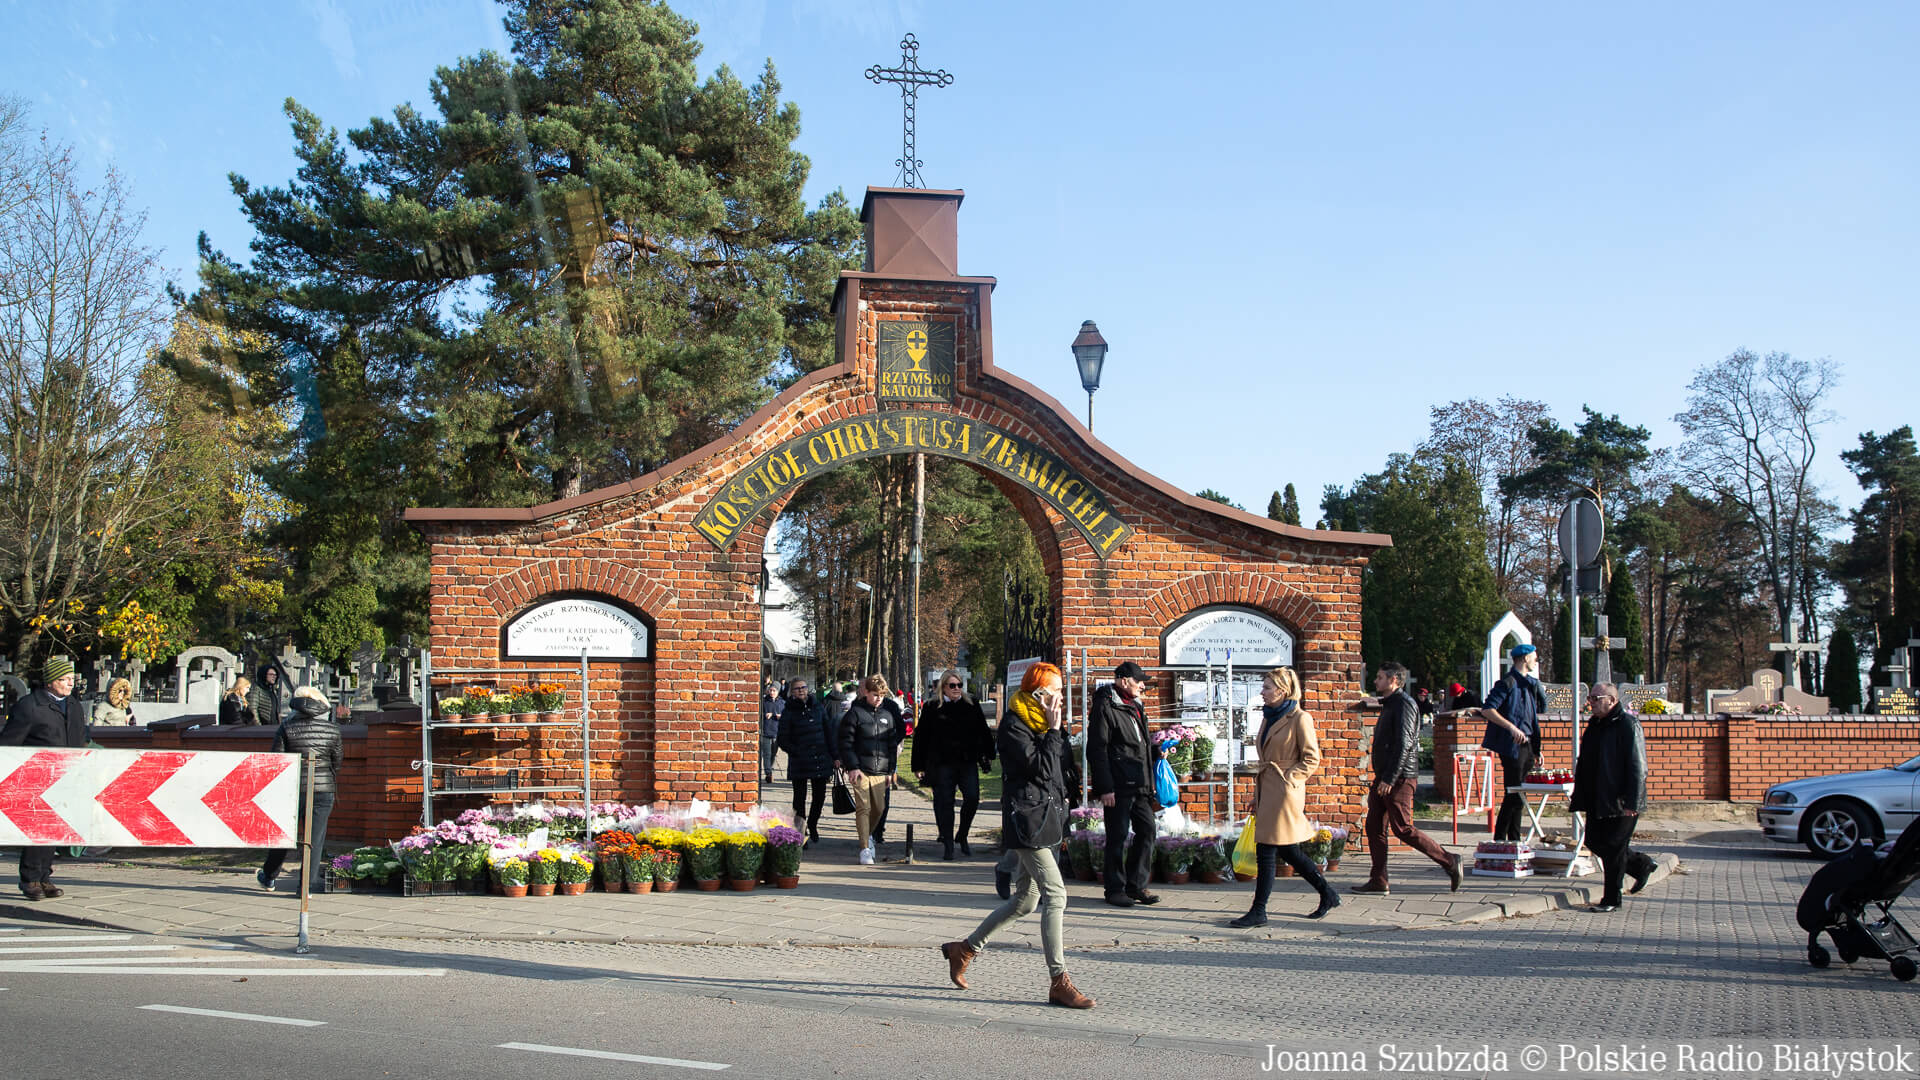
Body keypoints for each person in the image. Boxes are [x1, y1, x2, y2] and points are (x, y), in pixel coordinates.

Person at [938, 661, 1094, 1009]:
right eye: (1054, 692)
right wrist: (1054, 731)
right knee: (1056, 896)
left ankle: (964, 950)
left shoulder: (1047, 725)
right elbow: (1038, 769)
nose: (1059, 699)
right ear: (1037, 692)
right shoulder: (1014, 725)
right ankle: (1059, 981)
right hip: (1027, 823)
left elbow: (1058, 771)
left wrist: (1058, 737)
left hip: (1048, 819)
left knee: (1026, 900)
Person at [1231, 667, 1339, 926]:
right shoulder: (1269, 717)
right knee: (1289, 850)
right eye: (1264, 686)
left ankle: (1259, 910)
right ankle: (1327, 893)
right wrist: (1258, 796)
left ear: (1282, 690)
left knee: (1266, 847)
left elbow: (1312, 758)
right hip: (1268, 787)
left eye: (1267, 687)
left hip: (1284, 791)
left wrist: (1290, 779)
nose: (1262, 691)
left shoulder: (1300, 718)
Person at [1354, 662, 1463, 895]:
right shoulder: (1391, 704)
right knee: (1374, 827)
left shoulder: (1405, 704)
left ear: (1394, 680)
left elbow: (1404, 744)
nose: (1376, 681)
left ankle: (1450, 861)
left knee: (1402, 828)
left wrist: (1390, 779)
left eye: (1380, 677)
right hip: (1385, 777)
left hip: (1399, 778)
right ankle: (1379, 880)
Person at [1, 658, 90, 900]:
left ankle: (44, 876)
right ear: (51, 682)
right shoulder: (29, 706)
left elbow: (81, 737)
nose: (70, 684)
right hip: (37, 776)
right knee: (38, 829)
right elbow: (10, 743)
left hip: (67, 775)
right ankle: (29, 879)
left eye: (72, 679)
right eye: (65, 679)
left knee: (55, 829)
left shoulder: (73, 705)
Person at [1571, 682, 1657, 913]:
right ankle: (1641, 865)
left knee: (1615, 847)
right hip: (1599, 797)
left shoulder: (1628, 724)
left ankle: (1611, 899)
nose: (1591, 702)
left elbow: (1638, 766)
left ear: (1612, 700)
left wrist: (1633, 801)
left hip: (1622, 800)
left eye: (1597, 698)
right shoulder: (1595, 724)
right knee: (1595, 842)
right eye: (1590, 698)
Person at [1088, 659, 1161, 908]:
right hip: (1118, 785)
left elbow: (1138, 743)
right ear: (1123, 680)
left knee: (1147, 830)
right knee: (1117, 836)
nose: (1143, 685)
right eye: (1139, 681)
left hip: (1140, 782)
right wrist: (1105, 787)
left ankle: (1136, 884)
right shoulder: (1106, 705)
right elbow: (1098, 748)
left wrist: (1156, 751)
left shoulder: (1135, 705)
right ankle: (1115, 888)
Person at [256, 685, 344, 891]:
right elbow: (337, 762)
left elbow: (277, 760)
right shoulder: (332, 729)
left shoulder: (287, 726)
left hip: (292, 789)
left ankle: (269, 875)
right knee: (315, 838)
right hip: (323, 789)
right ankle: (306, 886)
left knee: (284, 835)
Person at [912, 669, 995, 860]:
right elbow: (921, 738)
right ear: (943, 687)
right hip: (942, 763)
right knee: (944, 802)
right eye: (952, 685)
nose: (957, 689)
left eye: (959, 685)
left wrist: (988, 753)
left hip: (966, 761)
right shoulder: (932, 707)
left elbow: (982, 730)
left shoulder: (971, 704)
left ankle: (963, 834)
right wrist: (918, 765)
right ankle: (948, 843)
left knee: (972, 797)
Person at [1480, 643, 1547, 842]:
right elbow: (1487, 709)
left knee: (1519, 794)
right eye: (1534, 656)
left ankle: (1513, 840)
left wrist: (1536, 749)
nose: (1536, 660)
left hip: (1526, 744)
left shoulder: (1530, 685)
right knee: (1514, 791)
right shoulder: (1507, 683)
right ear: (1524, 658)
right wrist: (1511, 727)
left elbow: (1532, 718)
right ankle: (1501, 839)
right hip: (1511, 744)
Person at [838, 674, 905, 865]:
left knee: (879, 808)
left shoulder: (888, 715)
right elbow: (845, 742)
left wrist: (892, 771)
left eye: (882, 695)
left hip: (881, 770)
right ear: (866, 692)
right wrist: (852, 766)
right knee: (864, 807)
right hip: (860, 768)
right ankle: (865, 848)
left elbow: (892, 745)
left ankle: (869, 836)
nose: (878, 698)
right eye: (875, 694)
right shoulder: (855, 714)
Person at [776, 678, 833, 848]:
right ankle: (800, 831)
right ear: (792, 692)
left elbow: (828, 731)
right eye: (797, 689)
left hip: (820, 758)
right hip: (800, 760)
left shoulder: (818, 707)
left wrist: (834, 756)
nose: (801, 691)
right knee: (799, 798)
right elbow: (782, 739)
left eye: (803, 687)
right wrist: (796, 751)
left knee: (820, 796)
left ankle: (813, 823)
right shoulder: (789, 712)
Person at [758, 681, 785, 784]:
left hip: (777, 732)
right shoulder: (764, 702)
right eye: (771, 690)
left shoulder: (782, 703)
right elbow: (759, 714)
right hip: (766, 731)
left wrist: (781, 717)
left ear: (778, 692)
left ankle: (770, 770)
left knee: (773, 754)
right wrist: (765, 715)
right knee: (767, 754)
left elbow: (786, 716)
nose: (772, 692)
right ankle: (768, 773)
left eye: (774, 690)